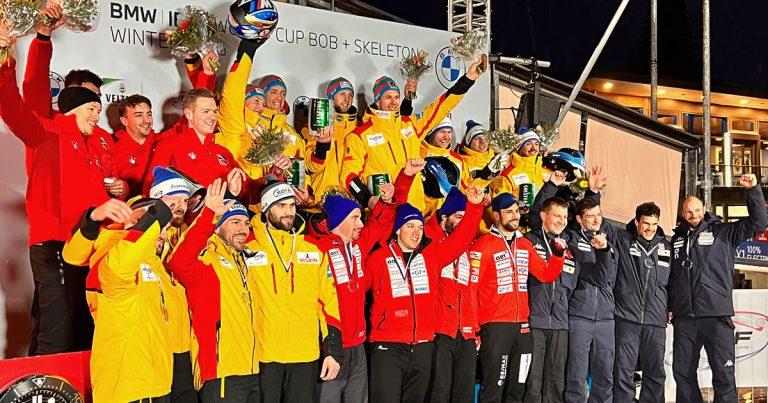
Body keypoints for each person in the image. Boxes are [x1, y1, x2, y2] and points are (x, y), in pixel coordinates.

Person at [0, 30, 111, 355]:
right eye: (91, 107)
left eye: (98, 107)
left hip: (92, 246)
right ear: (72, 109)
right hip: (55, 246)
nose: (97, 114)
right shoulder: (46, 133)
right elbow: (11, 101)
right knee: (58, 333)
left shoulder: (99, 144)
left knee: (83, 330)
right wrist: (9, 56)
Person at [313, 159, 421, 403]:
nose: (361, 224)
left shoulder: (358, 246)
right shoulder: (316, 249)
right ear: (339, 221)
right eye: (355, 218)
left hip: (359, 344)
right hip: (332, 346)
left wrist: (401, 182)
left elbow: (383, 220)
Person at [367, 184, 486, 402]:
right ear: (397, 229)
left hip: (423, 345)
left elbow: (461, 239)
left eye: (420, 227)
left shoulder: (431, 256)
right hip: (388, 346)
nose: (416, 232)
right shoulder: (377, 258)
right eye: (410, 226)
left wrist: (475, 207)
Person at [341, 55, 488, 212]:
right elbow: (348, 175)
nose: (394, 102)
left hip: (415, 208)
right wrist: (368, 200)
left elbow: (442, 106)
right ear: (377, 100)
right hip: (384, 210)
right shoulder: (359, 135)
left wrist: (468, 78)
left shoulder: (411, 125)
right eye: (388, 97)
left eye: (397, 97)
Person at [670, 173, 767, 402]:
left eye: (696, 210)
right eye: (688, 212)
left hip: (715, 315)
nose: (693, 215)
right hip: (685, 317)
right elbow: (672, 277)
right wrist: (670, 305)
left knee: (723, 374)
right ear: (683, 214)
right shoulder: (676, 239)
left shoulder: (723, 232)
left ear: (703, 208)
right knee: (682, 372)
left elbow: (759, 223)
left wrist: (753, 190)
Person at [246, 177, 343, 403]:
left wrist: (333, 351)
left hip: (306, 355)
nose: (289, 212)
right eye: (281, 206)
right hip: (264, 355)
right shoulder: (248, 250)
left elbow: (328, 302)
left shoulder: (313, 251)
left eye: (291, 205)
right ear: (267, 209)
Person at [167, 179, 261, 402]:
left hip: (251, 370)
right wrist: (209, 213)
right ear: (218, 226)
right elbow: (178, 262)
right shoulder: (206, 259)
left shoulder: (244, 260)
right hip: (220, 373)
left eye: (246, 223)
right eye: (235, 222)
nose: (243, 229)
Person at [469, 193, 566, 402]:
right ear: (496, 215)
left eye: (516, 211)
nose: (515, 216)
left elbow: (546, 274)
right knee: (494, 386)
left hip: (523, 326)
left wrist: (558, 256)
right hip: (495, 326)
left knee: (518, 388)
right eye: (509, 212)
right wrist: (475, 328)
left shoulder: (525, 245)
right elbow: (471, 289)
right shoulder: (483, 245)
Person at [89, 198, 175, 402]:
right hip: (127, 390)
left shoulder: (155, 266)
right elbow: (120, 266)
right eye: (156, 226)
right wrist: (159, 214)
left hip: (158, 385)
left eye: (164, 228)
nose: (160, 231)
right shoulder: (111, 259)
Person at [611, 202, 671, 403]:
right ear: (637, 221)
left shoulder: (667, 246)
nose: (650, 228)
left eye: (654, 224)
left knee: (655, 372)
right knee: (623, 370)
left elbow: (674, 282)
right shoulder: (621, 239)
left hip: (655, 321)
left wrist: (670, 308)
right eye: (645, 223)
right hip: (626, 318)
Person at [424, 188, 479, 403]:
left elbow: (470, 291)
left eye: (466, 218)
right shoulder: (429, 241)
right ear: (444, 217)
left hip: (465, 332)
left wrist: (475, 328)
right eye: (458, 217)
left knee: (464, 394)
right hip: (439, 330)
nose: (462, 222)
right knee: (439, 393)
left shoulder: (468, 247)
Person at [523, 196, 578, 403]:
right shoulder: (529, 241)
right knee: (533, 381)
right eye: (556, 215)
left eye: (564, 217)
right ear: (544, 216)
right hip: (535, 321)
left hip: (560, 324)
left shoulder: (570, 246)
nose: (561, 221)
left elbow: (571, 285)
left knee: (556, 382)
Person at [563, 197, 618, 403]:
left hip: (605, 319)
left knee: (604, 375)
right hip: (579, 317)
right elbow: (596, 276)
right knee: (576, 375)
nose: (596, 220)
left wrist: (605, 250)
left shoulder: (609, 244)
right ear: (578, 218)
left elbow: (612, 280)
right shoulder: (571, 240)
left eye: (599, 215)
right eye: (590, 216)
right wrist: (602, 253)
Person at [144, 88, 246, 193]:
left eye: (214, 112)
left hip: (228, 208)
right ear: (188, 114)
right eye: (206, 112)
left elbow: (248, 190)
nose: (213, 117)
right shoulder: (168, 146)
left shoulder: (223, 152)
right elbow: (149, 191)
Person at [305, 77, 359, 199]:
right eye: (342, 94)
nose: (347, 99)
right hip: (321, 200)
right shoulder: (317, 124)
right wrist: (322, 146)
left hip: (350, 203)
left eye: (350, 95)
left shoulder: (359, 128)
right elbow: (310, 166)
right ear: (331, 97)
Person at [420, 116, 471, 217]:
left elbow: (466, 188)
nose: (446, 136)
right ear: (431, 133)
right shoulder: (418, 155)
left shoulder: (457, 159)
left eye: (449, 132)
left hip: (449, 220)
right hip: (424, 219)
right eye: (442, 131)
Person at [491, 128, 548, 208]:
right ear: (519, 147)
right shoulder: (507, 174)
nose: (533, 147)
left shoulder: (545, 172)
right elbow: (500, 205)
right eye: (528, 144)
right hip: (518, 219)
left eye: (536, 144)